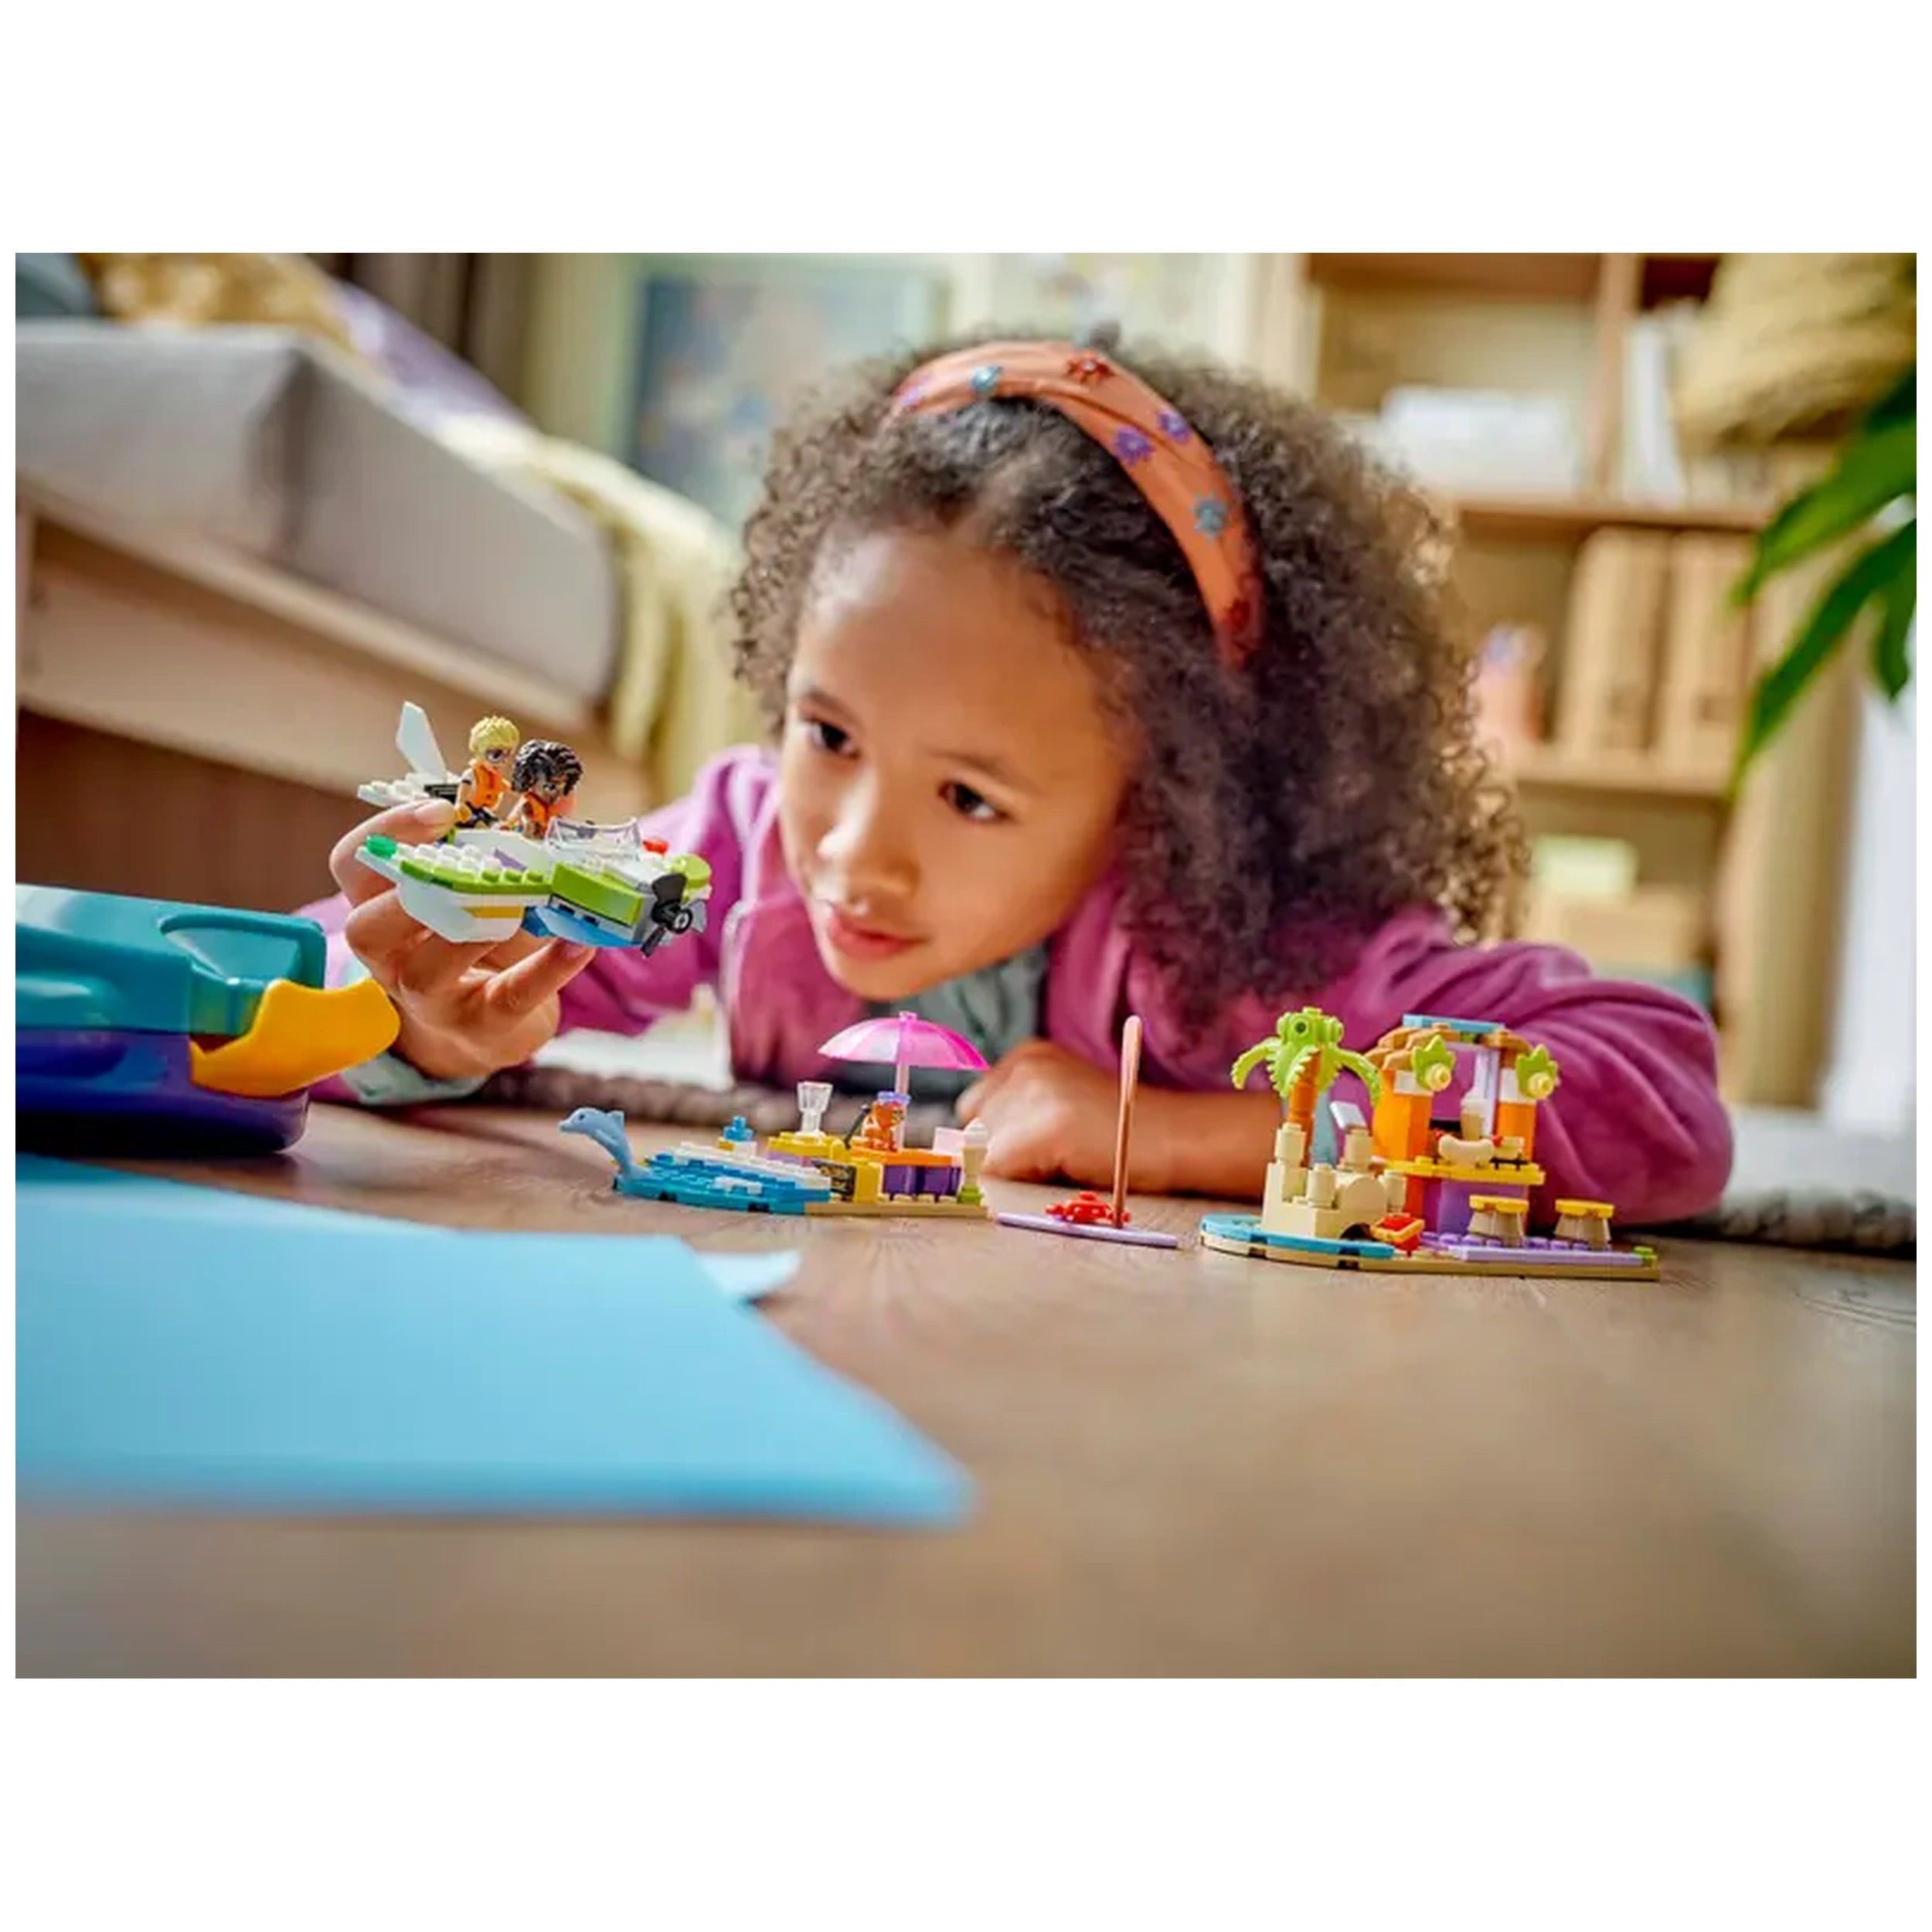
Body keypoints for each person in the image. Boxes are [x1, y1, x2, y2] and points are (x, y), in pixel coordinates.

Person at [309, 336, 1731, 1222]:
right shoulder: (739, 846)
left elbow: (1656, 1101)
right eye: (829, 733)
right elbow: (308, 985)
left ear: (1160, 790)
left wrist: (1182, 1132)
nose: (855, 856)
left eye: (971, 796)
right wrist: (407, 1028)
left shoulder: (1256, 947)